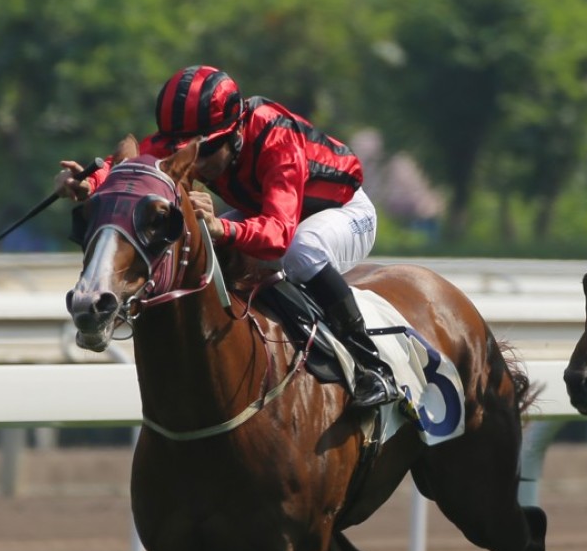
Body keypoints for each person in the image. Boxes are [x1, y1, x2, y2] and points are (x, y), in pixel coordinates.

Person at [55, 65, 398, 408]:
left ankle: (372, 365)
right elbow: (134, 168)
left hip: (342, 212)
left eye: (205, 151)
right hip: (265, 210)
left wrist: (224, 227)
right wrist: (90, 183)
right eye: (184, 151)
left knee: (300, 251)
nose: (195, 163)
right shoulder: (194, 138)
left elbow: (278, 235)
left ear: (234, 135)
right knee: (201, 245)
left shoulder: (276, 137)